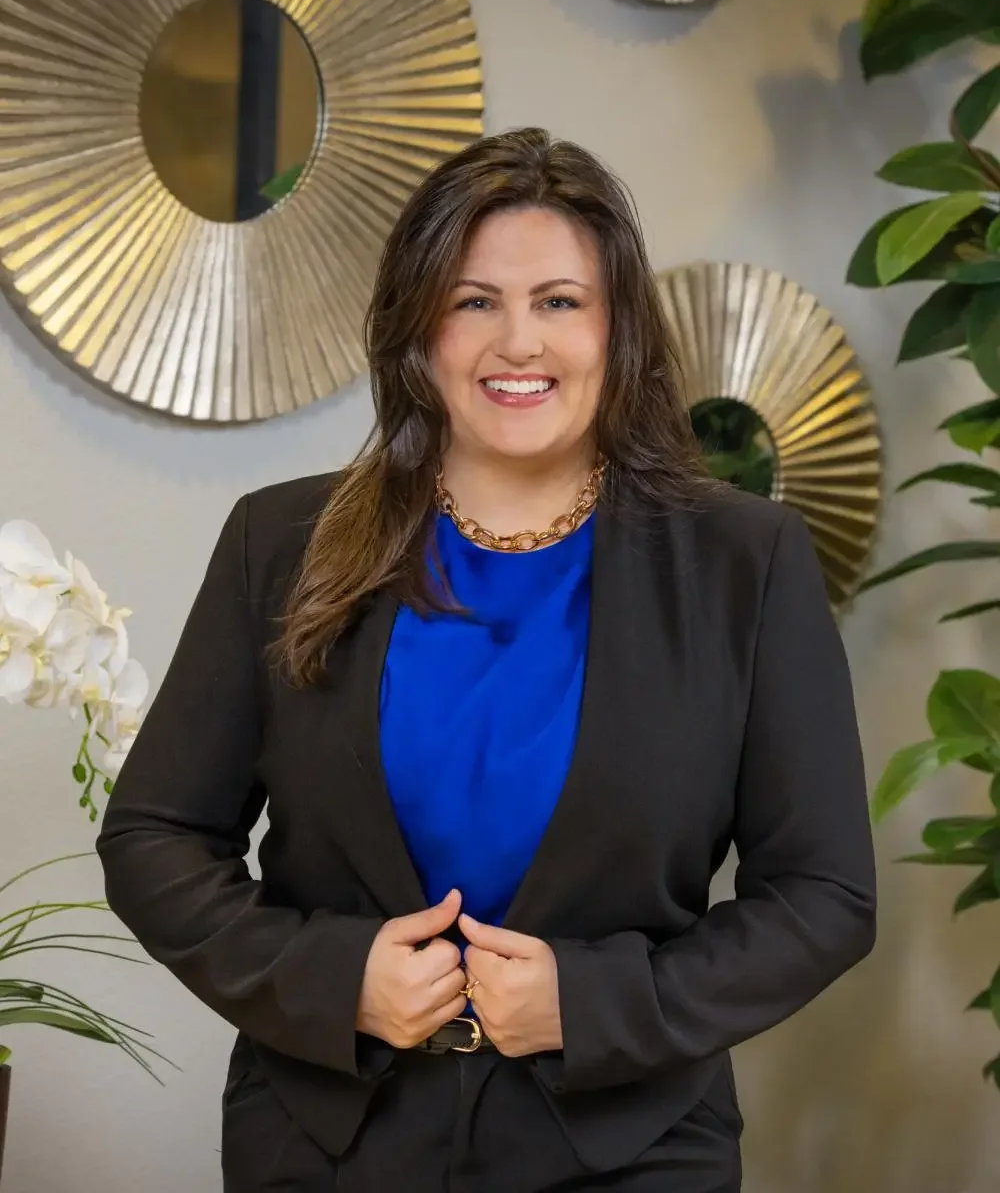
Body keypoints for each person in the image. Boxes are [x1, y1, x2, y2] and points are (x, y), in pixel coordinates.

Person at [96, 127, 877, 1193]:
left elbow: (823, 893)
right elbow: (157, 837)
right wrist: (332, 981)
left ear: (617, 330)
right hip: (326, 1143)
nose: (520, 342)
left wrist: (597, 1004)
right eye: (474, 301)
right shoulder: (277, 542)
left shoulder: (745, 561)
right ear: (419, 330)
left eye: (559, 301)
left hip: (630, 1147)